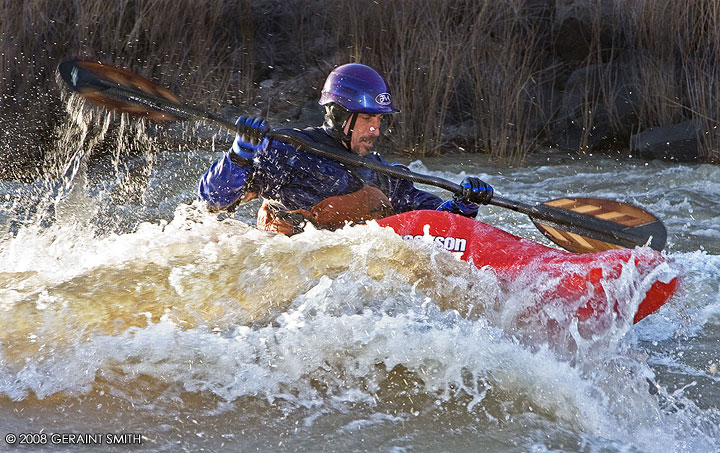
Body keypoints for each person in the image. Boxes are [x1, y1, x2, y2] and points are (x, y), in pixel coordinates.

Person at [198, 63, 493, 234]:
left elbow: (436, 225)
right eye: (366, 119)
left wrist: (464, 205)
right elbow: (213, 202)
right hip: (295, 276)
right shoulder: (289, 153)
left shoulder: (384, 174)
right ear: (339, 115)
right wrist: (238, 157)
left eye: (379, 119)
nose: (375, 130)